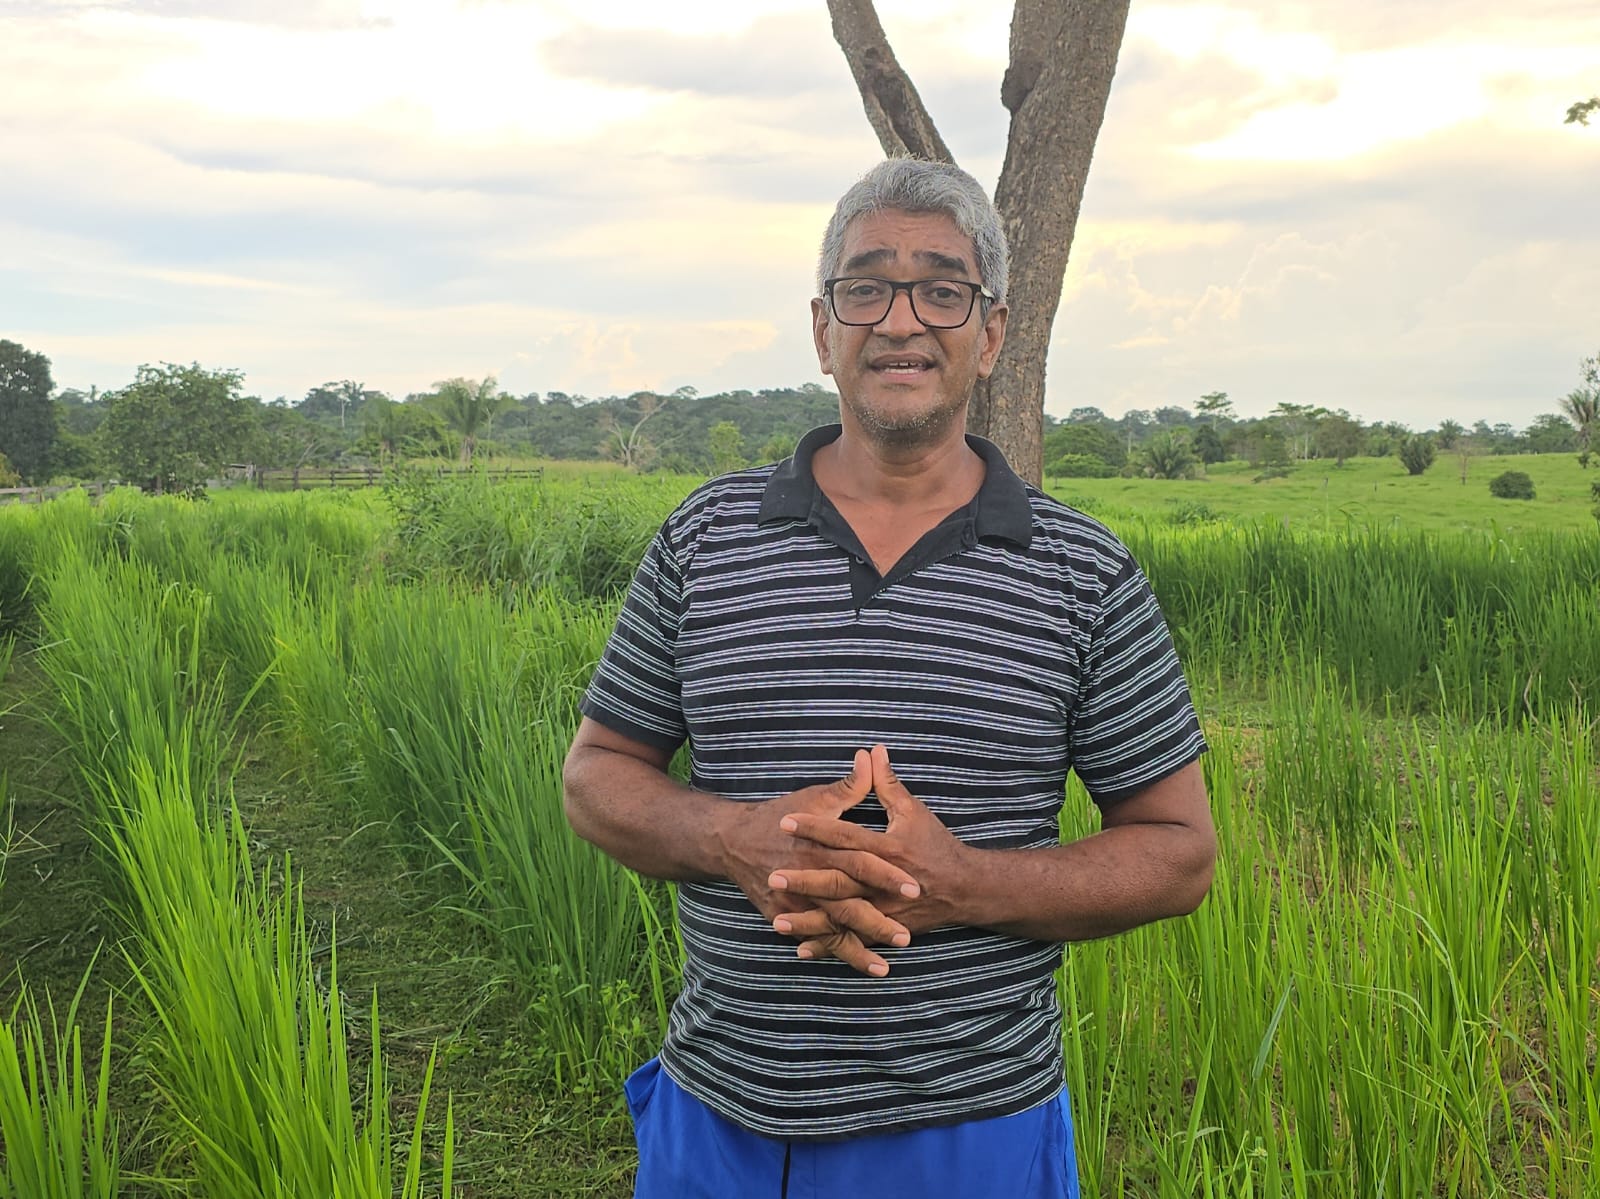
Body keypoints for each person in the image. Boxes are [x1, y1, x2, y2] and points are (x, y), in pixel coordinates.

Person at [562, 157, 1216, 1199]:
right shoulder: (705, 537)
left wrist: (958, 884)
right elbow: (597, 772)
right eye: (865, 286)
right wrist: (731, 838)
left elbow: (1179, 853)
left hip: (971, 1128)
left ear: (990, 331)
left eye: (941, 289)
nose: (900, 319)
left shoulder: (1083, 571)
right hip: (717, 1115)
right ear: (824, 328)